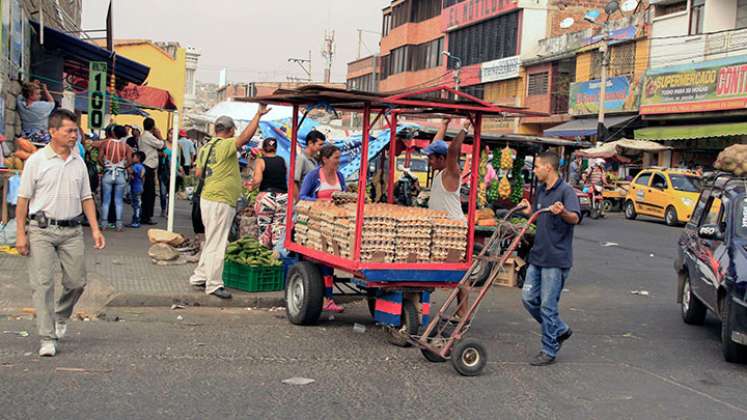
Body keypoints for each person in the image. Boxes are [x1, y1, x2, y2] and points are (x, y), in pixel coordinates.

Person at [15, 109, 106, 357]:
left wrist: (96, 229)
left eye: (75, 131)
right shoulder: (36, 161)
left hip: (72, 230)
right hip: (41, 230)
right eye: (69, 131)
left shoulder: (78, 162)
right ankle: (47, 337)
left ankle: (60, 316)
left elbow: (86, 197)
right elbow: (22, 201)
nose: (74, 135)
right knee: (42, 284)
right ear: (53, 132)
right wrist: (20, 235)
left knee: (77, 282)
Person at [189, 106, 271, 299]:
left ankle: (200, 276)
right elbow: (245, 138)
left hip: (208, 198)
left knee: (211, 239)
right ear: (230, 130)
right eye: (234, 131)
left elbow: (199, 172)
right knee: (218, 243)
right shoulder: (225, 145)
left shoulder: (206, 146)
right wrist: (257, 116)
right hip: (220, 200)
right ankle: (214, 284)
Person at [518, 151, 581, 366]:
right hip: (537, 256)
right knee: (528, 299)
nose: (534, 170)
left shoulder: (566, 191)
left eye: (536, 167)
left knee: (547, 306)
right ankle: (560, 329)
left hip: (556, 259)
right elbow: (539, 216)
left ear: (549, 168)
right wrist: (528, 212)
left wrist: (562, 212)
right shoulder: (542, 192)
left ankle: (549, 349)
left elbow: (574, 218)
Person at [421, 118, 470, 319]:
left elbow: (452, 151)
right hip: (441, 228)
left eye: (431, 158)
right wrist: (443, 125)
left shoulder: (451, 173)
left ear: (441, 159)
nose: (428, 161)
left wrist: (464, 129)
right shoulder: (440, 170)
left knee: (460, 273)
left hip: (454, 229)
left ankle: (463, 314)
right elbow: (438, 144)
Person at [298, 144, 346, 313]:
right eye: (336, 158)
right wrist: (318, 202)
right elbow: (302, 196)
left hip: (336, 224)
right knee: (324, 261)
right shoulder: (314, 176)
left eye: (339, 158)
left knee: (330, 261)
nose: (338, 161)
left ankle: (328, 298)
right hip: (317, 225)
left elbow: (344, 196)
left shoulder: (340, 176)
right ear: (325, 159)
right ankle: (327, 298)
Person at [249, 138, 288, 249]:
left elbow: (257, 180)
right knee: (278, 229)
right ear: (275, 148)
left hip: (267, 197)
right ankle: (277, 254)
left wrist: (251, 186)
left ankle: (264, 255)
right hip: (283, 197)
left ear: (263, 149)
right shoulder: (282, 160)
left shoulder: (261, 161)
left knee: (264, 230)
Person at [96, 125, 132, 231]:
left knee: (106, 200)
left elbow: (99, 158)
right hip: (120, 173)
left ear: (113, 132)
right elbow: (129, 161)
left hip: (108, 172)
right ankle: (119, 225)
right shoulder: (125, 146)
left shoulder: (106, 143)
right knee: (118, 200)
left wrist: (105, 166)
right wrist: (123, 167)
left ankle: (104, 224)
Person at [139, 118, 165, 225]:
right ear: (152, 126)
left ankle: (145, 215)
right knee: (149, 194)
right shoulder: (148, 136)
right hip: (148, 166)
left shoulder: (143, 136)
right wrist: (159, 135)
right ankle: (147, 216)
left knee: (147, 193)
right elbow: (162, 145)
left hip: (146, 165)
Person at [158, 130, 182, 217]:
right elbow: (158, 153)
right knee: (163, 192)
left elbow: (178, 159)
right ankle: (163, 209)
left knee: (171, 192)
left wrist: (180, 168)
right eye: (170, 133)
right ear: (167, 134)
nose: (172, 136)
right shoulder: (163, 143)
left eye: (174, 134)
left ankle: (169, 211)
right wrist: (161, 154)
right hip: (164, 170)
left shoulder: (178, 146)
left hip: (174, 171)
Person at [295, 130, 326, 194]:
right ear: (310, 143)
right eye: (320, 144)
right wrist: (299, 200)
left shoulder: (315, 160)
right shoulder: (301, 158)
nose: (321, 147)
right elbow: (294, 182)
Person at [127, 151, 146, 228]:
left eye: (133, 157)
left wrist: (127, 166)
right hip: (139, 187)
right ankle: (135, 220)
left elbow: (132, 172)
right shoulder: (141, 166)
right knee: (136, 204)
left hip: (136, 188)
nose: (132, 158)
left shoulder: (136, 166)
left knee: (137, 205)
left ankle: (136, 221)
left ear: (138, 158)